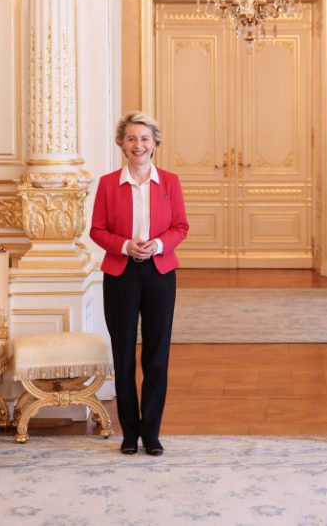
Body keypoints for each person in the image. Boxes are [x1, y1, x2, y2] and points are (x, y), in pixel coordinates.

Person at [90, 112, 189, 456]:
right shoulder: (106, 184)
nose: (138, 145)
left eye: (145, 139)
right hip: (121, 274)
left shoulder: (171, 183)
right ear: (121, 143)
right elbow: (97, 229)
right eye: (131, 138)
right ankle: (129, 433)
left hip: (160, 274)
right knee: (124, 354)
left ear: (155, 144)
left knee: (157, 355)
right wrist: (125, 246)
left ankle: (152, 431)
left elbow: (180, 226)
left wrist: (158, 245)